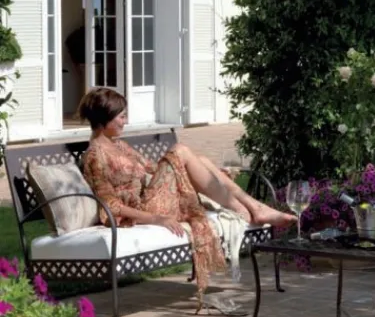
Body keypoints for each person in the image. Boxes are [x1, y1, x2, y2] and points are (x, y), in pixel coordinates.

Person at [78, 87, 296, 305]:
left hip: (153, 198)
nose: (125, 122)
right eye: (121, 117)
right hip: (145, 210)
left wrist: (207, 171)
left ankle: (253, 206)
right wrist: (157, 219)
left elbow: (153, 169)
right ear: (104, 119)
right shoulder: (95, 155)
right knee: (181, 150)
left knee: (202, 160)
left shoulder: (119, 145)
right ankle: (244, 208)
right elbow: (111, 205)